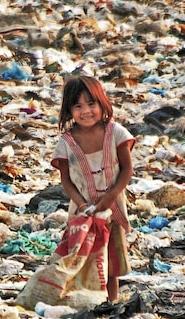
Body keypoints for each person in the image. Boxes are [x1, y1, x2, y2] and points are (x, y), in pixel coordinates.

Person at [51, 75, 135, 303]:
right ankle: (87, 299)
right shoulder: (67, 142)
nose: (86, 111)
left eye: (91, 104)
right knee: (82, 259)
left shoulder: (116, 132)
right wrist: (82, 204)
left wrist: (110, 197)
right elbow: (66, 180)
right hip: (83, 213)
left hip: (113, 208)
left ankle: (111, 302)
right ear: (69, 110)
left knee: (111, 260)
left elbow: (127, 170)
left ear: (102, 103)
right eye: (78, 106)